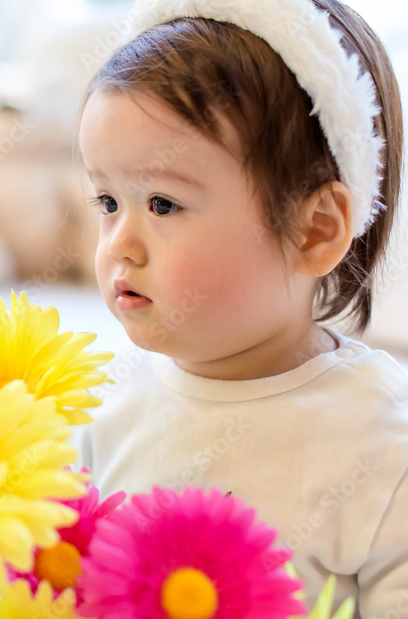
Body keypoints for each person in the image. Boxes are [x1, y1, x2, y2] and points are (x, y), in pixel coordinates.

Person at [70, 0, 408, 615]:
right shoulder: (103, 402)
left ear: (314, 231)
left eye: (163, 204)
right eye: (107, 201)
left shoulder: (384, 441)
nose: (119, 243)